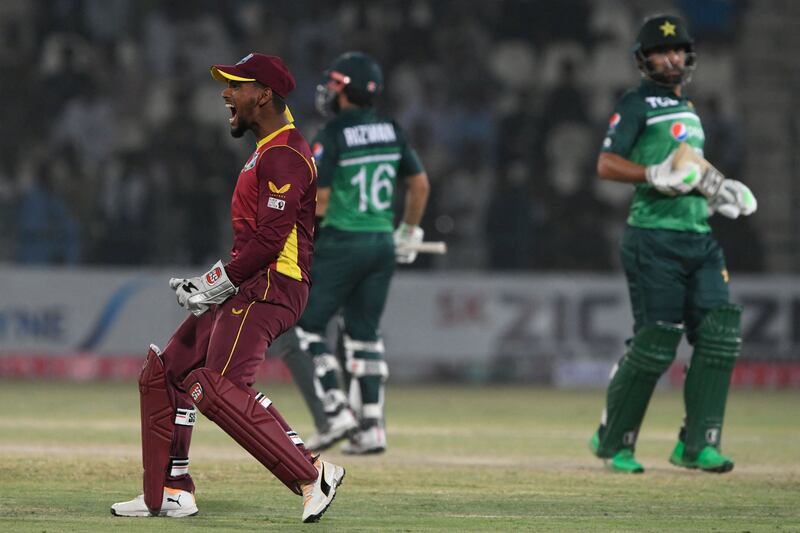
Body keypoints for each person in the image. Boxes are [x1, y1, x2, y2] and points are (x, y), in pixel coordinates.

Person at [111, 53, 344, 523]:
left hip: (273, 285)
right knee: (166, 374)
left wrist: (213, 284)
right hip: (249, 284)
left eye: (235, 85)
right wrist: (217, 286)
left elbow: (270, 240)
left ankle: (311, 472)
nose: (225, 93)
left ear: (262, 94)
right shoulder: (269, 150)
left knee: (217, 388)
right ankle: (170, 491)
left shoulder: (285, 153)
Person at [588, 15, 757, 474]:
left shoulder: (690, 108)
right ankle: (614, 442)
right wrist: (649, 175)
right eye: (662, 52)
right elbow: (605, 164)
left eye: (679, 50)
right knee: (655, 344)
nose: (672, 58)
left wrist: (720, 189)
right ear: (644, 60)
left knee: (719, 338)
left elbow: (690, 166)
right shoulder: (635, 103)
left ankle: (697, 444)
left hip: (699, 238)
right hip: (652, 237)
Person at [273, 51, 430, 454]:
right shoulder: (392, 129)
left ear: (345, 89)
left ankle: (336, 407)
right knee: (364, 335)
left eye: (334, 83)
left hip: (343, 241)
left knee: (306, 326)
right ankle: (372, 429)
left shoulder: (335, 132)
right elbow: (419, 186)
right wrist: (408, 231)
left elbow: (321, 202)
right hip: (381, 241)